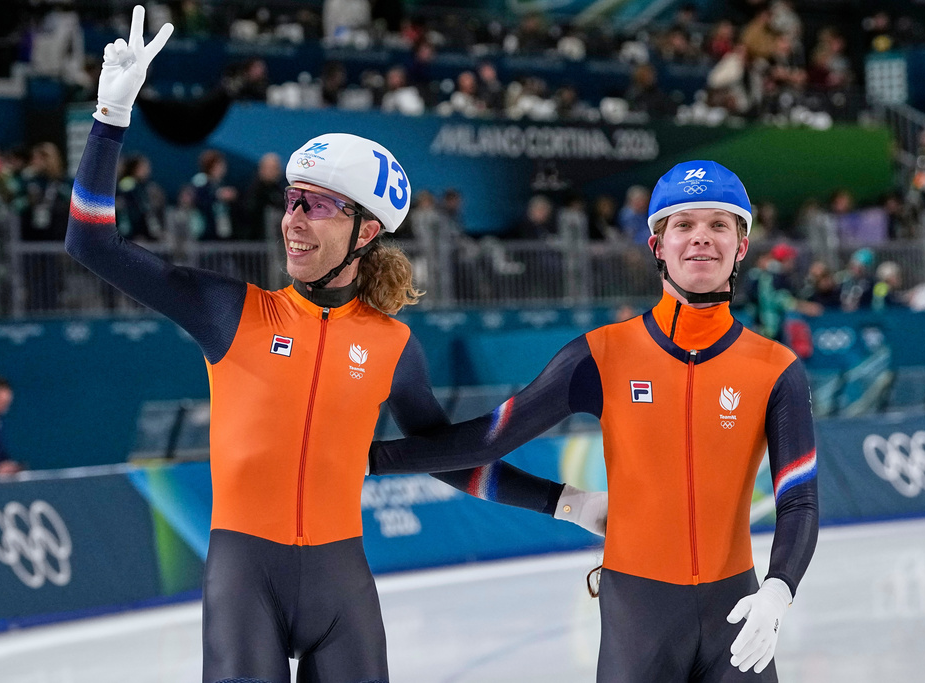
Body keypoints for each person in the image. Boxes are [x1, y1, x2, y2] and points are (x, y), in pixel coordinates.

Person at [65, 8, 605, 682]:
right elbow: (90, 242)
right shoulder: (229, 310)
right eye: (291, 200)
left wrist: (571, 503)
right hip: (244, 579)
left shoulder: (391, 343)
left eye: (316, 206)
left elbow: (451, 456)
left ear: (366, 230)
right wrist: (110, 118)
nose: (292, 220)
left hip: (339, 582)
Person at [370, 160, 819, 681]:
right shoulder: (601, 355)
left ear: (741, 246)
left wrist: (779, 588)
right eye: (683, 224)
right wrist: (367, 459)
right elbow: (477, 446)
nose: (701, 238)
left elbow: (799, 497)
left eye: (719, 224)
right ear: (657, 246)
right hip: (639, 619)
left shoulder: (775, 368)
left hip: (738, 618)